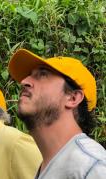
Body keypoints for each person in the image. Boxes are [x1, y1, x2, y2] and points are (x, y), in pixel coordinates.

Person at [8, 48, 106, 178]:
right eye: (30, 75)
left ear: (73, 98)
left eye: (42, 74)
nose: (24, 82)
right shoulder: (48, 166)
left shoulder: (91, 167)